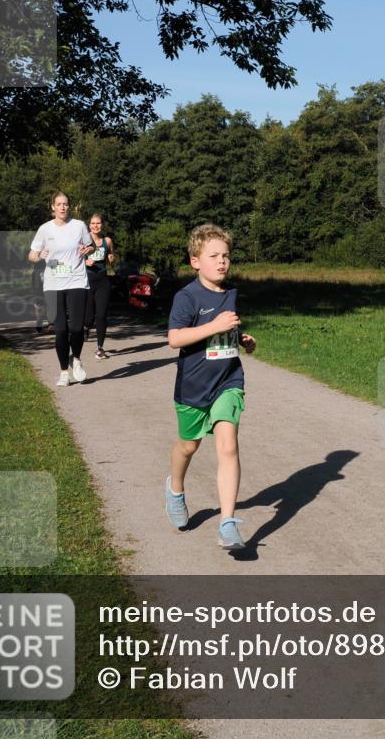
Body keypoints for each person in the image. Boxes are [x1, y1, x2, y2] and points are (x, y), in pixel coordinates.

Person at [164, 223, 256, 550]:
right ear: (195, 261)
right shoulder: (187, 297)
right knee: (188, 446)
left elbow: (225, 334)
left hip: (228, 381)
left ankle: (228, 523)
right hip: (193, 387)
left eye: (226, 256)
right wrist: (214, 326)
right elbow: (175, 339)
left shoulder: (230, 293)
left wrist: (241, 339)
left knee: (227, 444)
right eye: (213, 256)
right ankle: (175, 488)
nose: (222, 262)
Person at [28, 192, 93, 386]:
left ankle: (77, 359)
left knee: (76, 327)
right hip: (53, 284)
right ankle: (64, 372)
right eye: (59, 204)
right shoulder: (44, 229)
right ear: (53, 207)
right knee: (61, 330)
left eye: (65, 204)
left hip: (76, 281)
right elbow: (31, 255)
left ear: (69, 207)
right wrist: (39, 255)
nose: (63, 207)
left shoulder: (79, 226)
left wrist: (87, 250)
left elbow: (90, 247)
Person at [84, 212, 115, 359]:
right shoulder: (84, 240)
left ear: (102, 225)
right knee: (89, 317)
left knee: (101, 315)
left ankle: (100, 348)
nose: (96, 226)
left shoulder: (107, 241)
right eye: (93, 223)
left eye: (98, 223)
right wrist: (84, 262)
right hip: (87, 281)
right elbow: (73, 258)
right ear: (89, 225)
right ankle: (86, 327)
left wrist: (111, 259)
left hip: (103, 281)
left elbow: (111, 258)